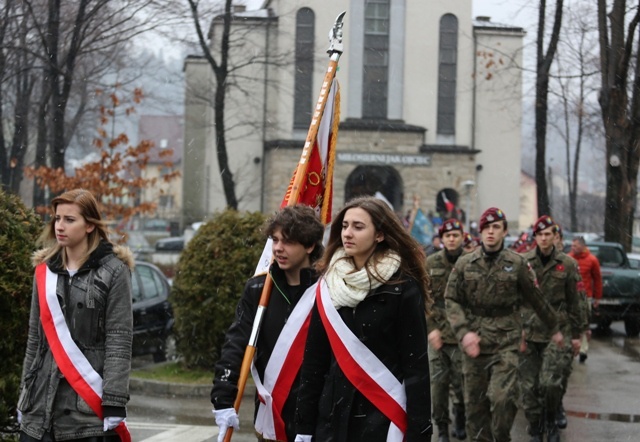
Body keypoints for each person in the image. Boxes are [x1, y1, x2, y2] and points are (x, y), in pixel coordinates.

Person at [295, 196, 433, 441]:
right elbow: (314, 363)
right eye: (345, 226)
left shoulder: (402, 287)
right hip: (332, 417)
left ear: (379, 235)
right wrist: (304, 427)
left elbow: (416, 367)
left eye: (358, 227)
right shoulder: (328, 285)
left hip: (381, 415)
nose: (348, 233)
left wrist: (419, 431)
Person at [18, 189, 134, 442]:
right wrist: (24, 396)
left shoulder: (114, 272)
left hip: (87, 413)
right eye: (57, 218)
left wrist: (114, 400)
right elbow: (35, 341)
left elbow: (119, 340)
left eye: (70, 220)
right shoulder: (44, 272)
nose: (60, 226)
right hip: (39, 412)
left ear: (90, 225)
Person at [445, 207, 563, 442]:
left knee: (503, 400)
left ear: (504, 232)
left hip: (505, 341)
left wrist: (555, 328)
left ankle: (501, 437)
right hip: (474, 342)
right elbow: (451, 299)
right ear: (479, 233)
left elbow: (537, 300)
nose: (490, 232)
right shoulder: (465, 263)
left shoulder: (517, 264)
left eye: (496, 227)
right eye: (486, 228)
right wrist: (463, 332)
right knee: (475, 408)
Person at [211, 205, 325, 442]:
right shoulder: (258, 290)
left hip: (319, 418)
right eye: (275, 239)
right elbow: (236, 344)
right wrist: (222, 398)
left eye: (288, 241)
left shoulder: (328, 291)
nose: (278, 248)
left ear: (310, 245)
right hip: (270, 417)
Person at [520, 216, 583, 442]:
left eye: (548, 234)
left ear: (555, 236)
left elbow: (574, 301)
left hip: (558, 331)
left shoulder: (567, 264)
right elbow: (516, 299)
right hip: (529, 331)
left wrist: (577, 335)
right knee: (529, 388)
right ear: (535, 237)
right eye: (540, 234)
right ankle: (536, 428)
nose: (545, 238)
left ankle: (550, 421)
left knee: (550, 383)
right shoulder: (523, 263)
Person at [426, 219, 467, 442]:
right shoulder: (430, 263)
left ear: (462, 237)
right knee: (438, 387)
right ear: (441, 239)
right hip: (438, 334)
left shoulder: (470, 263)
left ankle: (460, 417)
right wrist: (431, 329)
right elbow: (425, 300)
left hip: (462, 334)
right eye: (447, 235)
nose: (451, 239)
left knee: (461, 384)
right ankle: (441, 428)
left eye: (455, 235)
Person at [569, 236, 603, 363]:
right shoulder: (569, 258)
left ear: (582, 246)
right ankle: (571, 348)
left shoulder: (592, 260)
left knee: (584, 324)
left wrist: (597, 297)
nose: (573, 248)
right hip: (571, 296)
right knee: (571, 323)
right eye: (572, 246)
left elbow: (597, 279)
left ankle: (583, 350)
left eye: (575, 246)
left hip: (586, 296)